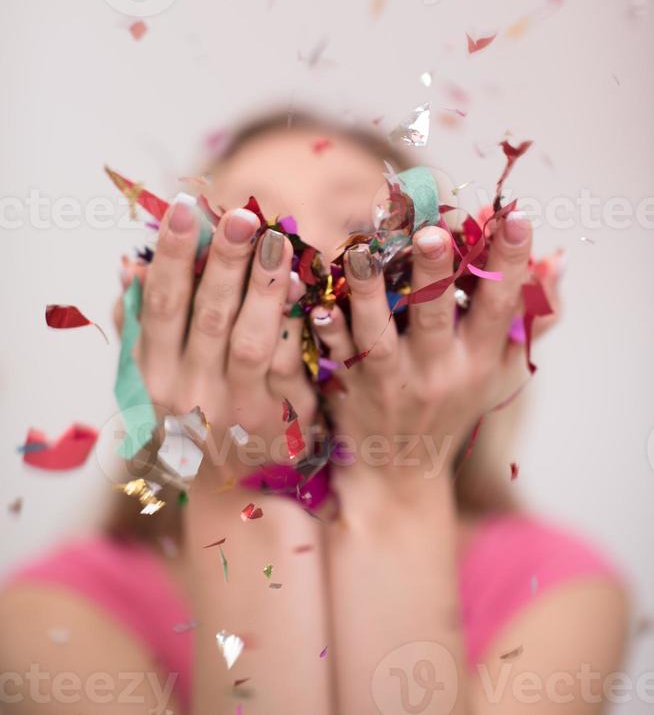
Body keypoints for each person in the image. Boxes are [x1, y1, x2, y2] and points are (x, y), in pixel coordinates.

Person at [0, 111, 629, 714]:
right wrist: (229, 480)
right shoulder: (53, 613)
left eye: (361, 220)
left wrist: (401, 479)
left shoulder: (554, 589)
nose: (303, 251)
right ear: (175, 297)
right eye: (246, 231)